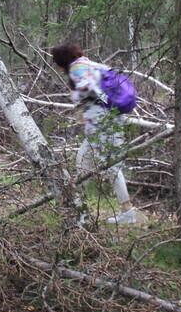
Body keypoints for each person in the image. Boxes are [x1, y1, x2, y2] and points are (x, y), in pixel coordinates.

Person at [50, 43, 137, 224]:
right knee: (83, 160)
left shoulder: (77, 68)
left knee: (112, 166)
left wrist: (74, 95)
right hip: (108, 120)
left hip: (101, 123)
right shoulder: (92, 64)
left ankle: (127, 211)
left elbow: (86, 90)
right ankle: (75, 204)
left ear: (62, 61)